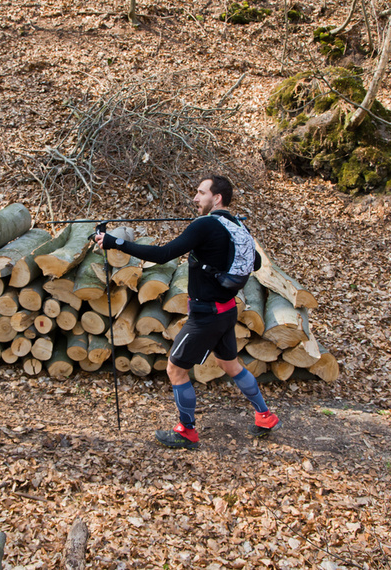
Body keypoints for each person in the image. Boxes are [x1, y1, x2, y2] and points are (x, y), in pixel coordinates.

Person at [94, 175, 279, 449]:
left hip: (206, 316)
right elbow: (256, 262)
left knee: (175, 369)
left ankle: (186, 432)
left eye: (201, 192)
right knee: (230, 364)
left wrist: (114, 242)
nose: (195, 197)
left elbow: (163, 254)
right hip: (227, 311)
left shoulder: (205, 224)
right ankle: (265, 416)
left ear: (216, 198)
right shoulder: (237, 224)